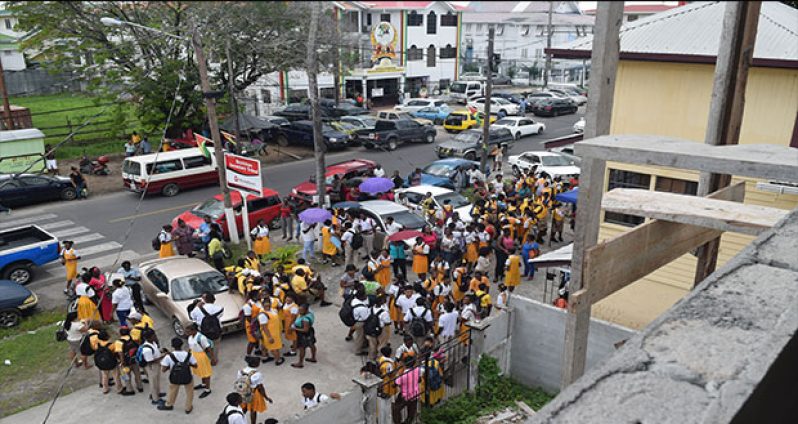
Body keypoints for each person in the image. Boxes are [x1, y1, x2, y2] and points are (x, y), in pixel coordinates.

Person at [158, 337, 198, 413]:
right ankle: (188, 408)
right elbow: (195, 365)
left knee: (172, 391)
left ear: (172, 346)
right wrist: (186, 364)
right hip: (187, 376)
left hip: (175, 376)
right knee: (190, 392)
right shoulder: (188, 355)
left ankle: (169, 404)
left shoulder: (168, 356)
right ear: (182, 345)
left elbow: (163, 370)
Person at [185, 323, 217, 399]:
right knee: (201, 371)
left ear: (194, 330)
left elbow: (208, 348)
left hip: (201, 356)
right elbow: (190, 347)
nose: (187, 333)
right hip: (194, 355)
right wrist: (188, 356)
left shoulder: (201, 338)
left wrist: (213, 358)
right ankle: (203, 384)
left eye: (188, 331)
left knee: (206, 373)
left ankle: (207, 389)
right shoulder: (190, 337)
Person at [237, 356, 272, 424]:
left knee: (244, 407)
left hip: (243, 391)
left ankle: (239, 420)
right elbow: (260, 387)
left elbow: (239, 381)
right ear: (254, 364)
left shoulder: (240, 371)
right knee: (253, 410)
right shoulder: (257, 374)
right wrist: (266, 397)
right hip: (253, 392)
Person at [139, 329, 165, 405]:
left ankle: (157, 393)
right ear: (149, 338)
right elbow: (150, 361)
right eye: (154, 335)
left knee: (157, 380)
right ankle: (155, 399)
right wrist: (162, 357)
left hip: (156, 365)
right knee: (153, 382)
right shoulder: (146, 349)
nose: (155, 336)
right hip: (152, 367)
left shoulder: (153, 342)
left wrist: (161, 352)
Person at [116, 326, 144, 395]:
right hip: (134, 360)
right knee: (137, 374)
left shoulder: (118, 342)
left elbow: (120, 353)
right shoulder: (132, 338)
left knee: (126, 377)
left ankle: (129, 389)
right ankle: (140, 387)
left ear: (120, 333)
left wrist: (122, 362)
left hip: (126, 363)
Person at [393, 356, 420, 424]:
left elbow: (396, 383)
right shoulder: (417, 370)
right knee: (411, 413)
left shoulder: (404, 375)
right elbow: (419, 379)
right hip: (415, 394)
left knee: (396, 409)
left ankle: (398, 421)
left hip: (405, 396)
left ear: (404, 364)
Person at [291, 303, 317, 368]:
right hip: (310, 332)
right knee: (311, 344)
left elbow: (305, 330)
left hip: (302, 334)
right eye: (299, 310)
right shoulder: (310, 313)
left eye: (301, 310)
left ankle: (300, 363)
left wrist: (294, 328)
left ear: (306, 310)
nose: (299, 312)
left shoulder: (305, 319)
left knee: (302, 348)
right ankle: (313, 357)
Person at [366, 295, 392, 360]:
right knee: (382, 344)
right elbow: (387, 322)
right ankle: (379, 358)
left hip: (371, 329)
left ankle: (371, 357)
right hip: (381, 329)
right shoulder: (384, 312)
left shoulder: (370, 309)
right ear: (381, 302)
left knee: (372, 344)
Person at [349, 290, 370, 356]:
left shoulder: (354, 301)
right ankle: (358, 351)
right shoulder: (362, 308)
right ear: (362, 297)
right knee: (359, 337)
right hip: (360, 323)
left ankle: (363, 345)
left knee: (360, 335)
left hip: (355, 320)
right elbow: (365, 317)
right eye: (365, 295)